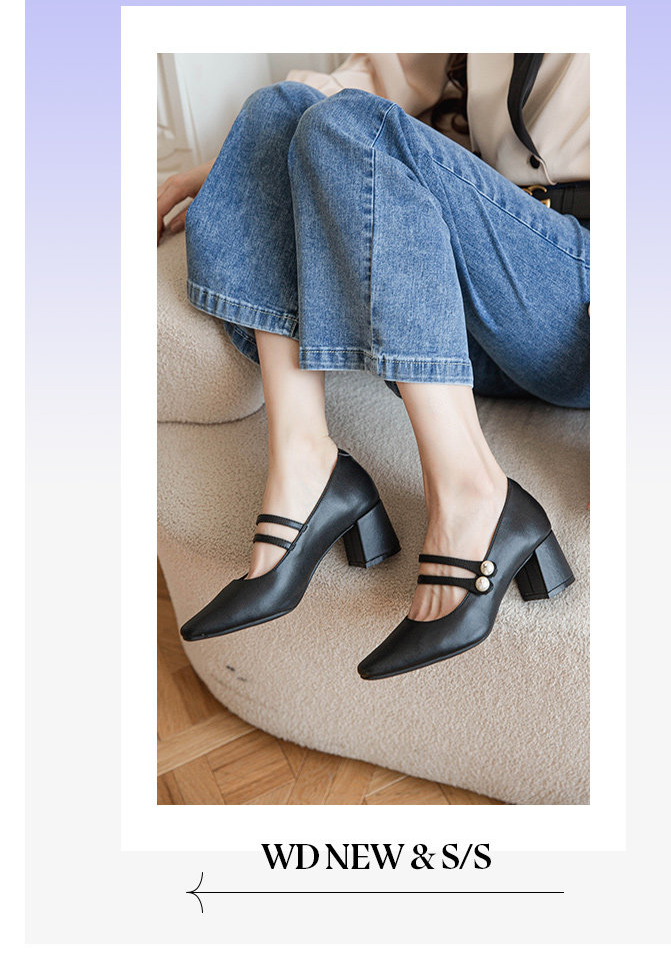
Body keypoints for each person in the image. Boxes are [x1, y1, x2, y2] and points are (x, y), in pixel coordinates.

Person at [156, 53, 589, 679]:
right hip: (476, 283)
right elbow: (393, 70)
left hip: (583, 299)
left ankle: (472, 493)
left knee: (349, 126)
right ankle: (304, 459)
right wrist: (241, 160)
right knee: (275, 112)